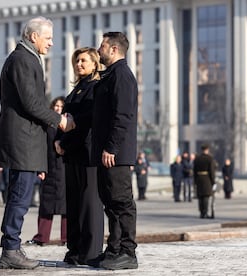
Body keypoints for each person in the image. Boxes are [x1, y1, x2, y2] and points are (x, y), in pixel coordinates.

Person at [0, 16, 75, 269]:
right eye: (48, 37)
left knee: (21, 196)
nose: (51, 43)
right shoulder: (22, 59)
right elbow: (31, 103)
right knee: (19, 197)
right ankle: (10, 250)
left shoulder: (28, 59)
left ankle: (12, 247)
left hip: (28, 142)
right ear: (33, 36)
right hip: (23, 141)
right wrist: (59, 121)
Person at [91, 32, 139, 270]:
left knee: (121, 203)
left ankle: (128, 253)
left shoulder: (122, 75)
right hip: (106, 152)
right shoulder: (110, 76)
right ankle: (114, 250)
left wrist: (112, 147)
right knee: (110, 203)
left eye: (102, 46)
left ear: (113, 49)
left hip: (115, 154)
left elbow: (124, 116)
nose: (98, 50)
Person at [54, 47, 104, 266]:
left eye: (84, 60)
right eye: (77, 61)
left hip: (87, 152)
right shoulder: (75, 91)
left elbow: (83, 122)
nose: (79, 64)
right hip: (72, 153)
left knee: (89, 203)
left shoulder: (96, 88)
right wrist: (58, 141)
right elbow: (64, 119)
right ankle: (74, 249)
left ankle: (91, 252)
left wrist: (64, 141)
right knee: (73, 204)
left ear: (94, 63)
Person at [27, 96, 67, 247]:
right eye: (56, 106)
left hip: (65, 168)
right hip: (48, 168)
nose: (58, 108)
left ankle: (67, 237)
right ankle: (41, 237)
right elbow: (40, 147)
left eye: (61, 106)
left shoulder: (69, 124)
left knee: (67, 205)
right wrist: (40, 167)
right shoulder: (46, 125)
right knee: (46, 204)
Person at [193, 144, 216, 219]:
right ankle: (205, 212)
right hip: (207, 179)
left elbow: (194, 170)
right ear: (207, 150)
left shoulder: (197, 159)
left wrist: (195, 180)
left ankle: (201, 212)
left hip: (199, 178)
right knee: (206, 196)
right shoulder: (210, 159)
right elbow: (212, 171)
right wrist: (213, 181)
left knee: (200, 197)